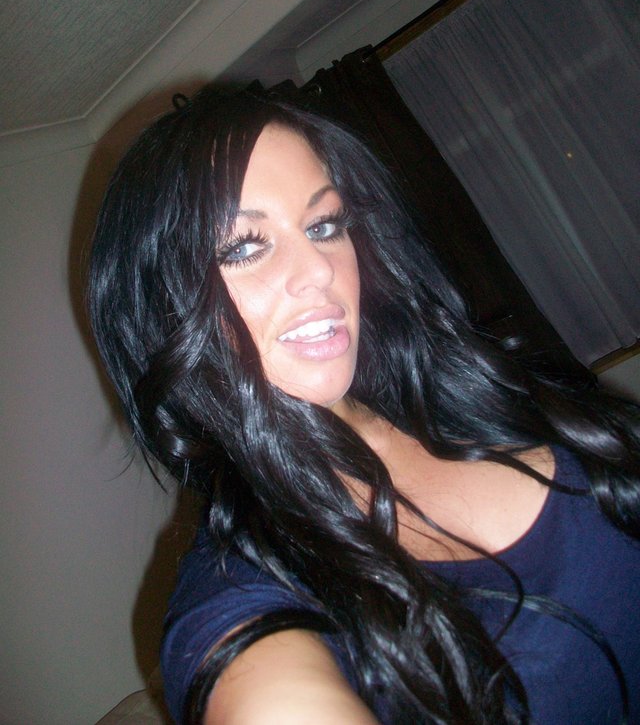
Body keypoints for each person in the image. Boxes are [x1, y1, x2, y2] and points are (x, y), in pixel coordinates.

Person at [88, 85, 640, 725]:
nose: (319, 270)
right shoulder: (242, 589)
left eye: (324, 226)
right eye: (243, 246)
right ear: (164, 304)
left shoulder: (486, 391)